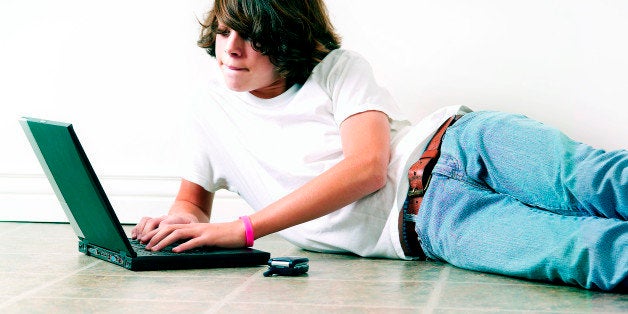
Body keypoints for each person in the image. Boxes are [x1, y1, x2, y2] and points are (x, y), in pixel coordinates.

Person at [131, 0, 627, 292]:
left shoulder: (337, 69)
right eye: (223, 31)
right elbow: (191, 203)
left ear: (288, 38)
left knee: (591, 181)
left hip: (460, 143)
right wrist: (182, 222)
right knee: (584, 253)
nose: (230, 49)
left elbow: (367, 167)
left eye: (251, 37)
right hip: (432, 226)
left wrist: (244, 229)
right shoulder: (209, 109)